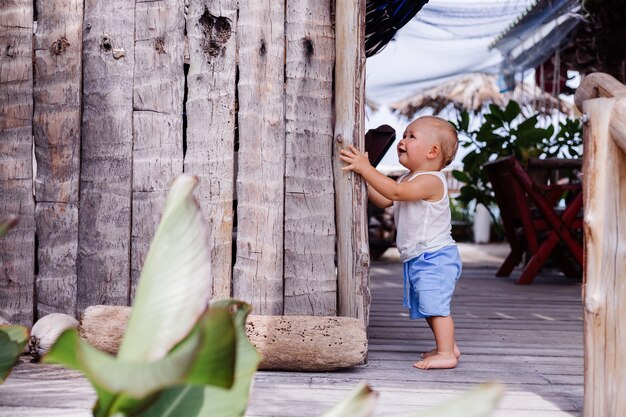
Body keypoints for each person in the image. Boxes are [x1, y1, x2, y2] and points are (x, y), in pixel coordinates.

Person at [340, 115, 462, 370]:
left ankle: (446, 353)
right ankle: (447, 345)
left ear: (433, 151)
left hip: (435, 256)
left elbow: (395, 193)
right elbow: (386, 199)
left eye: (411, 137)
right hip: (420, 256)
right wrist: (365, 176)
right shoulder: (409, 178)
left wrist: (366, 168)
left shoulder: (430, 180)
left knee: (436, 306)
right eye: (404, 135)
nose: (403, 141)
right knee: (429, 305)